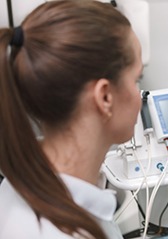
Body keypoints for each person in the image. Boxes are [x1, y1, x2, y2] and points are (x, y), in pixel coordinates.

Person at [0, 1, 143, 238]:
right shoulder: (59, 231)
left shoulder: (20, 187)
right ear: (105, 96)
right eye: (137, 79)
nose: (140, 96)